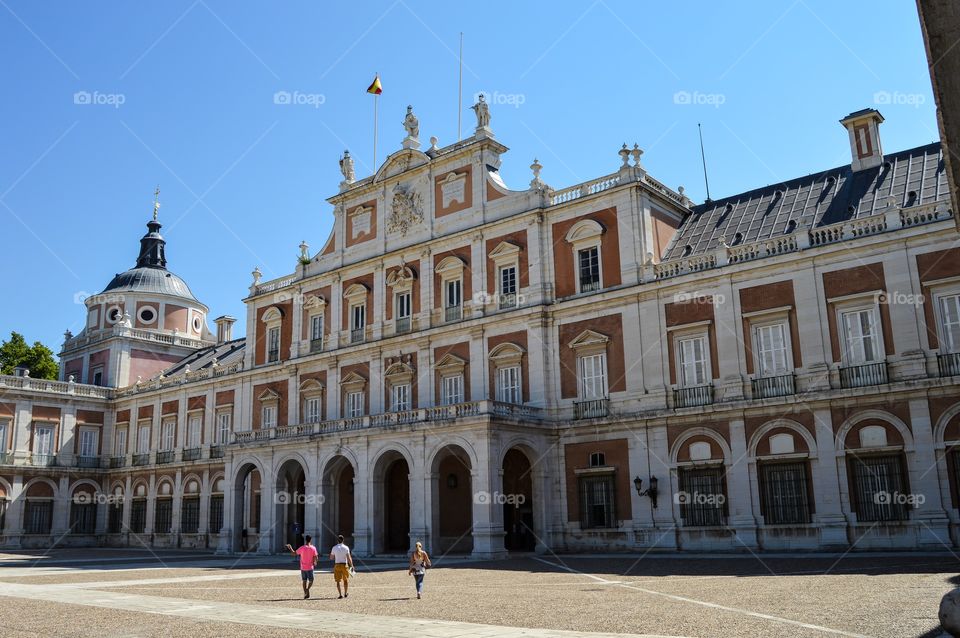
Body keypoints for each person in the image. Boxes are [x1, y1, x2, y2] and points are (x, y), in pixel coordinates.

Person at [329, 534, 354, 599]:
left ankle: (340, 594)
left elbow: (331, 557)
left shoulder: (334, 547)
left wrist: (335, 555)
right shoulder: (346, 547)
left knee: (338, 581)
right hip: (344, 565)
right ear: (343, 540)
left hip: (337, 564)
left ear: (337, 540)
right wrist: (352, 565)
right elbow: (349, 558)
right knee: (345, 580)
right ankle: (345, 593)